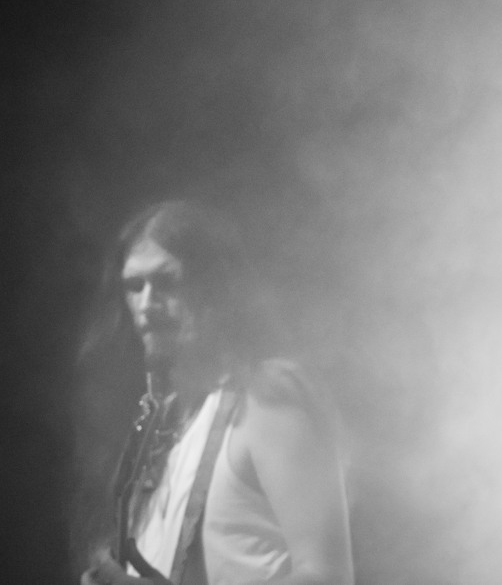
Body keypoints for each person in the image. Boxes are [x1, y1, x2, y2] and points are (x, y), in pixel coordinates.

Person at [79, 200, 354, 585]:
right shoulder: (159, 431)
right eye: (134, 286)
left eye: (166, 281)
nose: (146, 304)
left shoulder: (268, 399)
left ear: (215, 287)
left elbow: (328, 578)